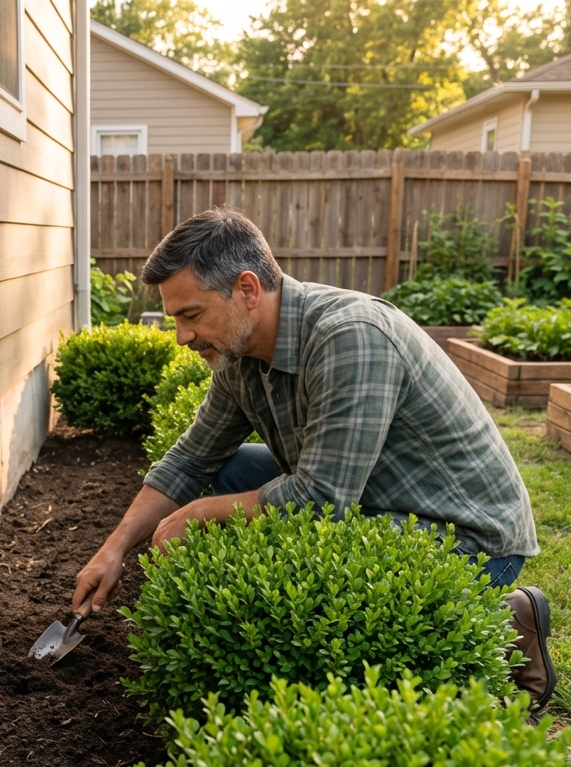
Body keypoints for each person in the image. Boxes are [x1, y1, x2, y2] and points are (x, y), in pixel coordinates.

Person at [73, 207, 556, 716]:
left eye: (191, 315)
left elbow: (321, 497)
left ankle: (503, 618)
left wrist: (196, 515)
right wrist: (115, 548)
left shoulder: (351, 337)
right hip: (368, 499)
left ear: (247, 290)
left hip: (467, 535)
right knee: (225, 472)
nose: (182, 336)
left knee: (272, 551)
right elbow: (191, 459)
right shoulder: (238, 356)